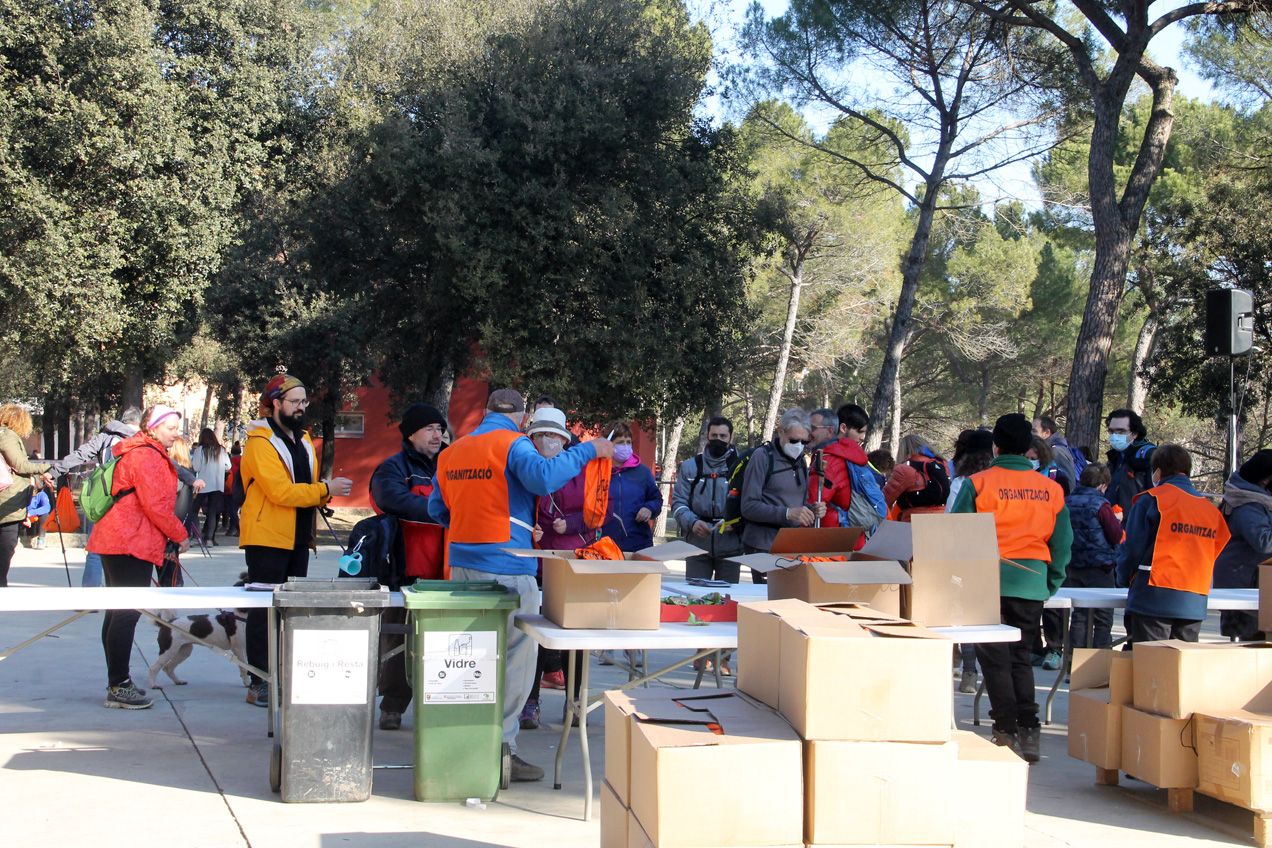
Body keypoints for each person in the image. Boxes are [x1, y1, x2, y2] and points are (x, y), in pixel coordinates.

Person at [428, 388, 613, 783]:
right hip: (508, 568)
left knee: (469, 659)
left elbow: (436, 509)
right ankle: (501, 750)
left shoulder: (452, 452)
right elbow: (544, 478)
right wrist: (589, 449)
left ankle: (462, 748)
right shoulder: (513, 444)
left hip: (462, 569)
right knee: (514, 661)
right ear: (523, 416)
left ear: (487, 410)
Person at [951, 413, 1072, 763]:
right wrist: (1051, 580)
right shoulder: (1051, 489)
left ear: (996, 446)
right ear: (1029, 447)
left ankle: (1005, 729)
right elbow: (1063, 541)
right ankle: (1030, 730)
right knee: (1021, 659)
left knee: (995, 661)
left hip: (987, 581)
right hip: (1031, 582)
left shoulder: (979, 483)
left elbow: (957, 535)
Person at [239, 373, 353, 708]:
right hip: (267, 538)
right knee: (262, 611)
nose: (302, 408)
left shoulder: (303, 440)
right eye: (295, 402)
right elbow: (279, 491)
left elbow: (304, 487)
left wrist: (320, 496)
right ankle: (258, 680)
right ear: (275, 403)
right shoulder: (259, 442)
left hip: (297, 539)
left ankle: (282, 675)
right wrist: (324, 490)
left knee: (288, 611)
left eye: (304, 401)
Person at [86, 405, 190, 708]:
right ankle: (119, 686)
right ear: (153, 427)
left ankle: (116, 683)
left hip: (118, 539)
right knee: (126, 613)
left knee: (118, 612)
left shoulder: (139, 451)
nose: (176, 433)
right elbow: (156, 506)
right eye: (170, 427)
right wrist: (179, 535)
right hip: (129, 542)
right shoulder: (147, 455)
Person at [369, 402, 448, 731]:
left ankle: (441, 704)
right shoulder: (392, 467)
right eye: (429, 428)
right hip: (403, 569)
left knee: (444, 643)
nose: (437, 434)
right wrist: (442, 508)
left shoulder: (452, 462)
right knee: (397, 640)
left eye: (439, 428)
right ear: (411, 433)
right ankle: (393, 704)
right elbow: (391, 498)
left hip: (446, 569)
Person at [1115, 444, 1230, 647]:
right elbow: (1217, 548)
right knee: (1181, 670)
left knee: (1152, 668)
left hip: (1153, 596)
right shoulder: (1210, 511)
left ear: (1157, 471)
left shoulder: (1152, 500)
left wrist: (1123, 578)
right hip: (1193, 598)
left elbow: (1132, 549)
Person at [523, 406, 591, 729]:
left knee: (572, 637)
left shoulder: (581, 469)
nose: (547, 441)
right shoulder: (525, 465)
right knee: (532, 638)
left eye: (553, 436)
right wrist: (529, 528)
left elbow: (596, 516)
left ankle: (575, 702)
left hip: (573, 561)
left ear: (564, 440)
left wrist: (572, 523)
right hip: (535, 563)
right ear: (533, 438)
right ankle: (529, 702)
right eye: (541, 435)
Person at [46, 407, 141, 586]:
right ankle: (122, 596)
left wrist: (54, 472)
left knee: (95, 550)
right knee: (129, 551)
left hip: (103, 499)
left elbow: (80, 455)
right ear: (139, 422)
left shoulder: (105, 437)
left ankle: (89, 596)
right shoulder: (142, 440)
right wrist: (189, 479)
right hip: (131, 502)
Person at [739, 408, 825, 579]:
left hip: (791, 545)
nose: (799, 446)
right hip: (763, 545)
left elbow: (794, 504)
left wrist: (811, 510)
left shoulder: (800, 460)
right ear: (780, 431)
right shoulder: (762, 457)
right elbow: (748, 506)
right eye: (794, 440)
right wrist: (787, 513)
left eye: (804, 442)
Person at [946, 427, 996, 693]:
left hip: (965, 557)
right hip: (1001, 556)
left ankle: (969, 673)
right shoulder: (1000, 481)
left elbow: (951, 519)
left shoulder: (961, 482)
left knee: (966, 616)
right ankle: (994, 673)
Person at [672, 416, 743, 582]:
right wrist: (692, 522)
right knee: (695, 598)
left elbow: (750, 503)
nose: (718, 440)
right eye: (714, 436)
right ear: (707, 436)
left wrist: (735, 523)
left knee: (728, 599)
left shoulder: (742, 466)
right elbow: (678, 503)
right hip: (697, 545)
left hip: (730, 545)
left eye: (723, 436)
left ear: (730, 437)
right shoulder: (690, 466)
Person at [1215, 451, 1272, 641]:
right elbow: (1263, 542)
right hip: (1243, 587)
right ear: (1265, 479)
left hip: (1248, 582)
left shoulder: (1253, 500)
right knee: (1252, 646)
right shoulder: (1248, 505)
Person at [1064, 463, 1122, 648]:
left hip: (1073, 564)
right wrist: (1118, 521)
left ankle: (1074, 658)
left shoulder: (1066, 501)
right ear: (1103, 485)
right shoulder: (1101, 505)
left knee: (1080, 615)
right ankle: (1099, 660)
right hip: (1100, 567)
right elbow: (1115, 535)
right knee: (1103, 617)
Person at [0, 404, 53, 587]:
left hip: (9, 504)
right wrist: (44, 467)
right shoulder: (6, 435)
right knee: (5, 549)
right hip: (7, 505)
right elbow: (20, 465)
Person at [819, 403, 885, 534]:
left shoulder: (830, 458)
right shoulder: (858, 460)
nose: (862, 437)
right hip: (860, 532)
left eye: (863, 432)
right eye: (859, 431)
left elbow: (818, 500)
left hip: (839, 535)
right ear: (843, 428)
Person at [601, 421, 662, 552]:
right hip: (605, 545)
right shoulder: (597, 471)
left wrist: (649, 509)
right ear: (608, 444)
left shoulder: (642, 472)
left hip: (638, 543)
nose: (625, 446)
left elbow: (656, 499)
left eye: (628, 442)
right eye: (620, 442)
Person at [883, 434, 951, 522]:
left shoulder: (904, 469)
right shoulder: (942, 464)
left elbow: (884, 500)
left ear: (903, 450)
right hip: (943, 520)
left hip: (913, 523)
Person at [1105, 408, 1156, 517]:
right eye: (1112, 431)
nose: (1115, 436)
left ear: (1134, 434)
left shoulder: (1148, 456)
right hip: (1113, 523)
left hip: (1137, 524)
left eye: (1121, 431)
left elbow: (1156, 495)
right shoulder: (1115, 456)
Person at [192, 428, 231, 546]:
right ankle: (209, 539)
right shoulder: (221, 450)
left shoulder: (200, 450)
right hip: (217, 485)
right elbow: (228, 466)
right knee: (213, 512)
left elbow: (196, 467)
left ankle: (196, 535)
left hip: (203, 484)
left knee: (193, 509)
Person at [1033, 416, 1081, 492]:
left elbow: (1069, 483)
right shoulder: (1046, 450)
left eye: (1034, 431)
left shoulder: (1056, 451)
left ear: (1046, 433)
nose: (1031, 434)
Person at [225, 441, 243, 536]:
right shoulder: (243, 460)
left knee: (231, 510)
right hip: (241, 489)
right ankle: (238, 528)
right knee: (237, 510)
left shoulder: (230, 462)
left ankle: (234, 528)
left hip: (230, 489)